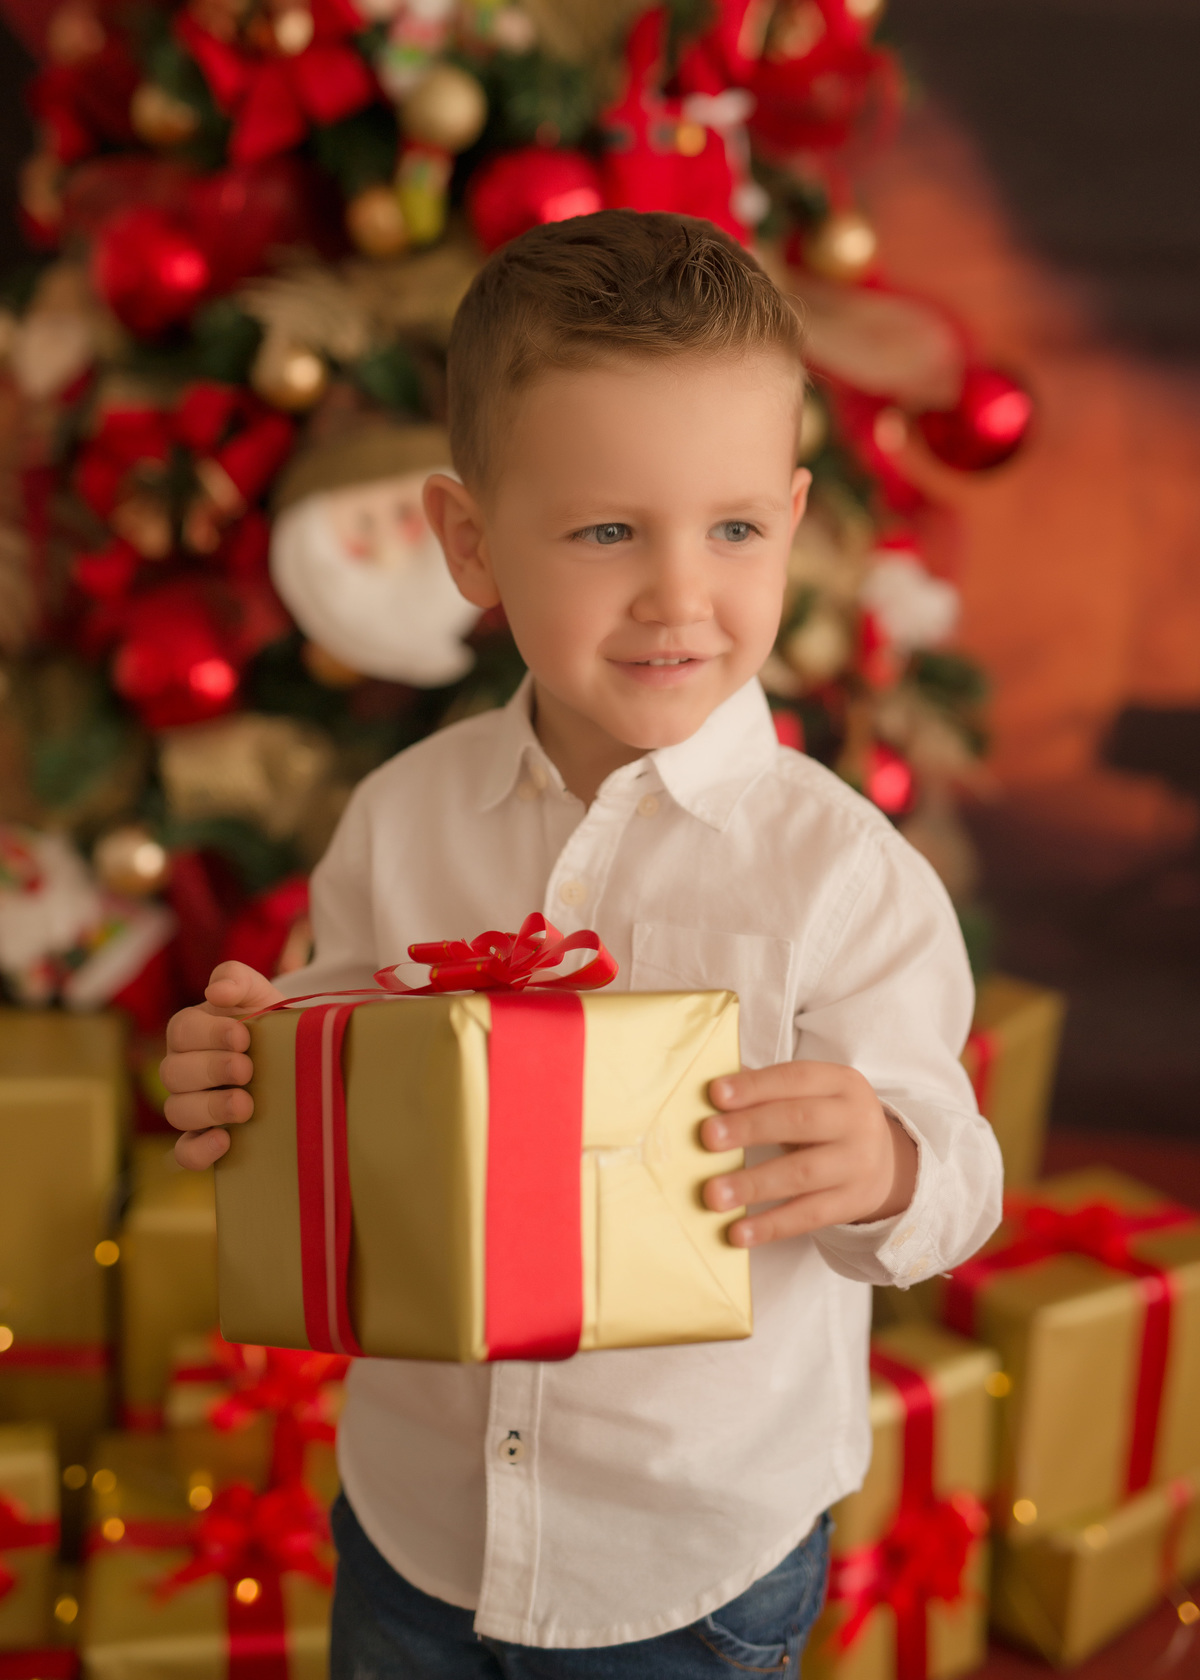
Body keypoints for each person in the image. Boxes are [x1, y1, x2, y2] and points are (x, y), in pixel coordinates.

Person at [161, 210, 1003, 1679]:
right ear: (471, 543)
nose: (682, 595)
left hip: (685, 1559)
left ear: (794, 522)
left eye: (733, 528)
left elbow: (957, 1161)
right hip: (418, 1517)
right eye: (609, 529)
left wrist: (892, 1159)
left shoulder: (837, 873)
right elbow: (334, 1072)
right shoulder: (403, 818)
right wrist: (244, 1065)